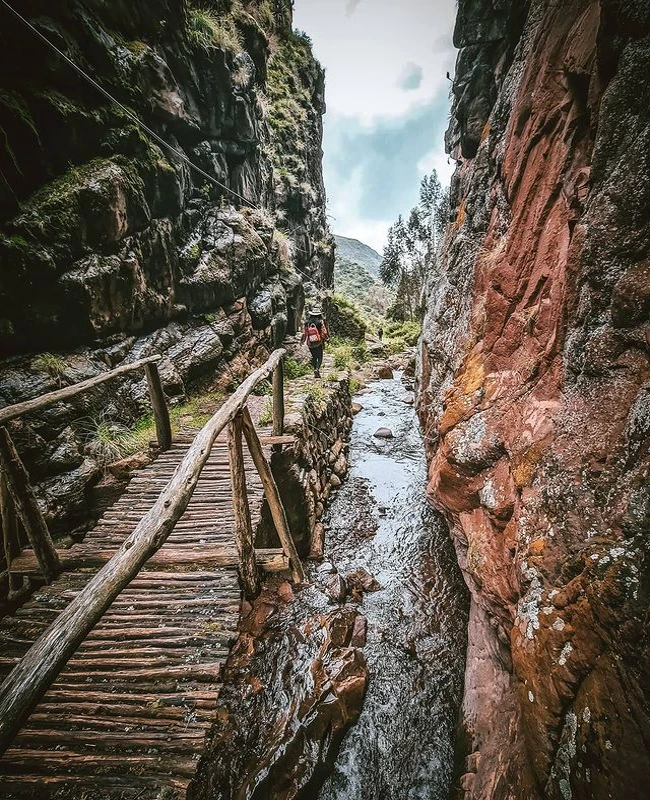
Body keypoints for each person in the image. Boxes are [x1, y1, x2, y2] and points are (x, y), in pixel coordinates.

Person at [301, 307, 329, 377]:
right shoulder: (320, 321)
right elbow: (324, 331)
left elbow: (305, 333)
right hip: (318, 342)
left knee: (314, 357)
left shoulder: (307, 322)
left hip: (310, 342)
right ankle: (317, 369)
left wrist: (302, 341)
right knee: (320, 356)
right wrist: (326, 338)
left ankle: (314, 369)